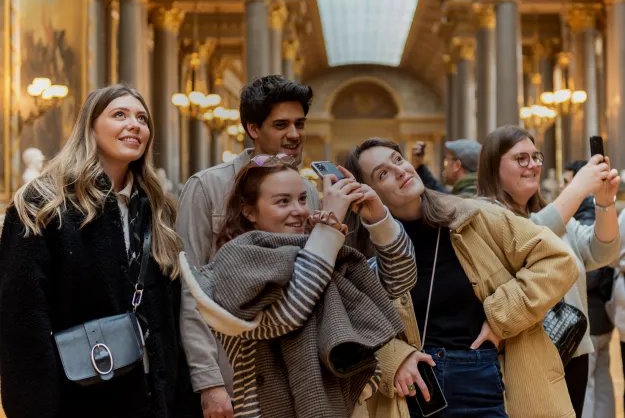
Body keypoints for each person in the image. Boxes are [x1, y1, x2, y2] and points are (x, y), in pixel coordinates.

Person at [0, 84, 199, 418]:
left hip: (154, 396)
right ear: (90, 127)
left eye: (142, 119)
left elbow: (172, 315)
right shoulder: (43, 204)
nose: (134, 125)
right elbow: (22, 322)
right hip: (80, 399)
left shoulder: (158, 209)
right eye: (119, 115)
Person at [344, 137, 579, 418]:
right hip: (412, 393)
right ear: (367, 194)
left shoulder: (473, 217)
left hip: (483, 378)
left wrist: (501, 317)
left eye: (398, 160)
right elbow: (353, 324)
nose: (399, 171)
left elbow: (558, 260)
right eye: (383, 173)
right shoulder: (362, 251)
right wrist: (393, 358)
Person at [180, 154, 417, 418]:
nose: (299, 211)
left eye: (302, 199)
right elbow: (288, 315)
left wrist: (379, 219)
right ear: (249, 211)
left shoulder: (317, 251)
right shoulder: (234, 260)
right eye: (283, 201)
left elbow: (398, 281)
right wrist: (326, 234)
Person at [176, 75, 320, 417]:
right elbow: (190, 288)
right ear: (253, 128)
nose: (294, 134)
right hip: (233, 370)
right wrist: (209, 382)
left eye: (299, 124)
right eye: (281, 125)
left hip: (294, 370)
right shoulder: (208, 187)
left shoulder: (309, 192)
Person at [477, 126, 620, 418]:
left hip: (573, 349)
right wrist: (577, 189)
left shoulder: (556, 217)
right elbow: (528, 241)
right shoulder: (485, 214)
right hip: (524, 357)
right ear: (493, 165)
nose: (532, 165)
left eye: (535, 157)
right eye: (521, 158)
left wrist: (604, 202)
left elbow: (601, 252)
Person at [560, 160, 617, 418]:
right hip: (601, 315)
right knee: (602, 378)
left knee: (590, 387)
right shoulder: (584, 216)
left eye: (567, 180)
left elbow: (592, 274)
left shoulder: (580, 218)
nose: (564, 186)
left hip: (588, 319)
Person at [411, 139, 481, 197]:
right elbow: (439, 192)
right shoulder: (474, 191)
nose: (444, 170)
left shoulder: (462, 200)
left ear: (457, 165)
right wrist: (419, 165)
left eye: (447, 161)